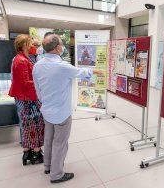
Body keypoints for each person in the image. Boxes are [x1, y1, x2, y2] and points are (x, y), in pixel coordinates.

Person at [33, 34, 98, 183]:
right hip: (61, 112)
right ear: (57, 48)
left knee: (48, 139)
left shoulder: (37, 65)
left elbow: (38, 91)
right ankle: (56, 174)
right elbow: (83, 73)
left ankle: (48, 166)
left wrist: (45, 103)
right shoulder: (62, 66)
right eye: (62, 44)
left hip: (47, 110)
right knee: (60, 143)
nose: (63, 47)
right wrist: (95, 70)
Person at [9, 34, 45, 166]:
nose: (33, 46)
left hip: (23, 98)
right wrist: (41, 83)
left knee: (26, 125)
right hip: (28, 99)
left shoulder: (20, 59)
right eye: (31, 44)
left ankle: (27, 152)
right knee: (35, 124)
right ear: (24, 45)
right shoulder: (22, 61)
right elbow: (26, 83)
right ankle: (36, 154)